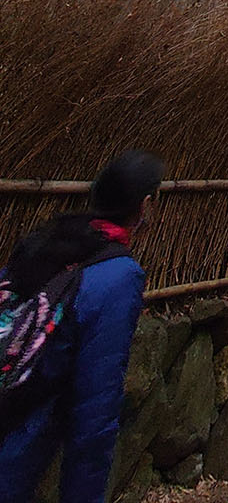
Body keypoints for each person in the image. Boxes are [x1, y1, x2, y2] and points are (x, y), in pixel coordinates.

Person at [0, 149, 164, 503]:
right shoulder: (118, 277)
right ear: (147, 205)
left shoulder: (47, 240)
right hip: (15, 438)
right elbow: (95, 409)